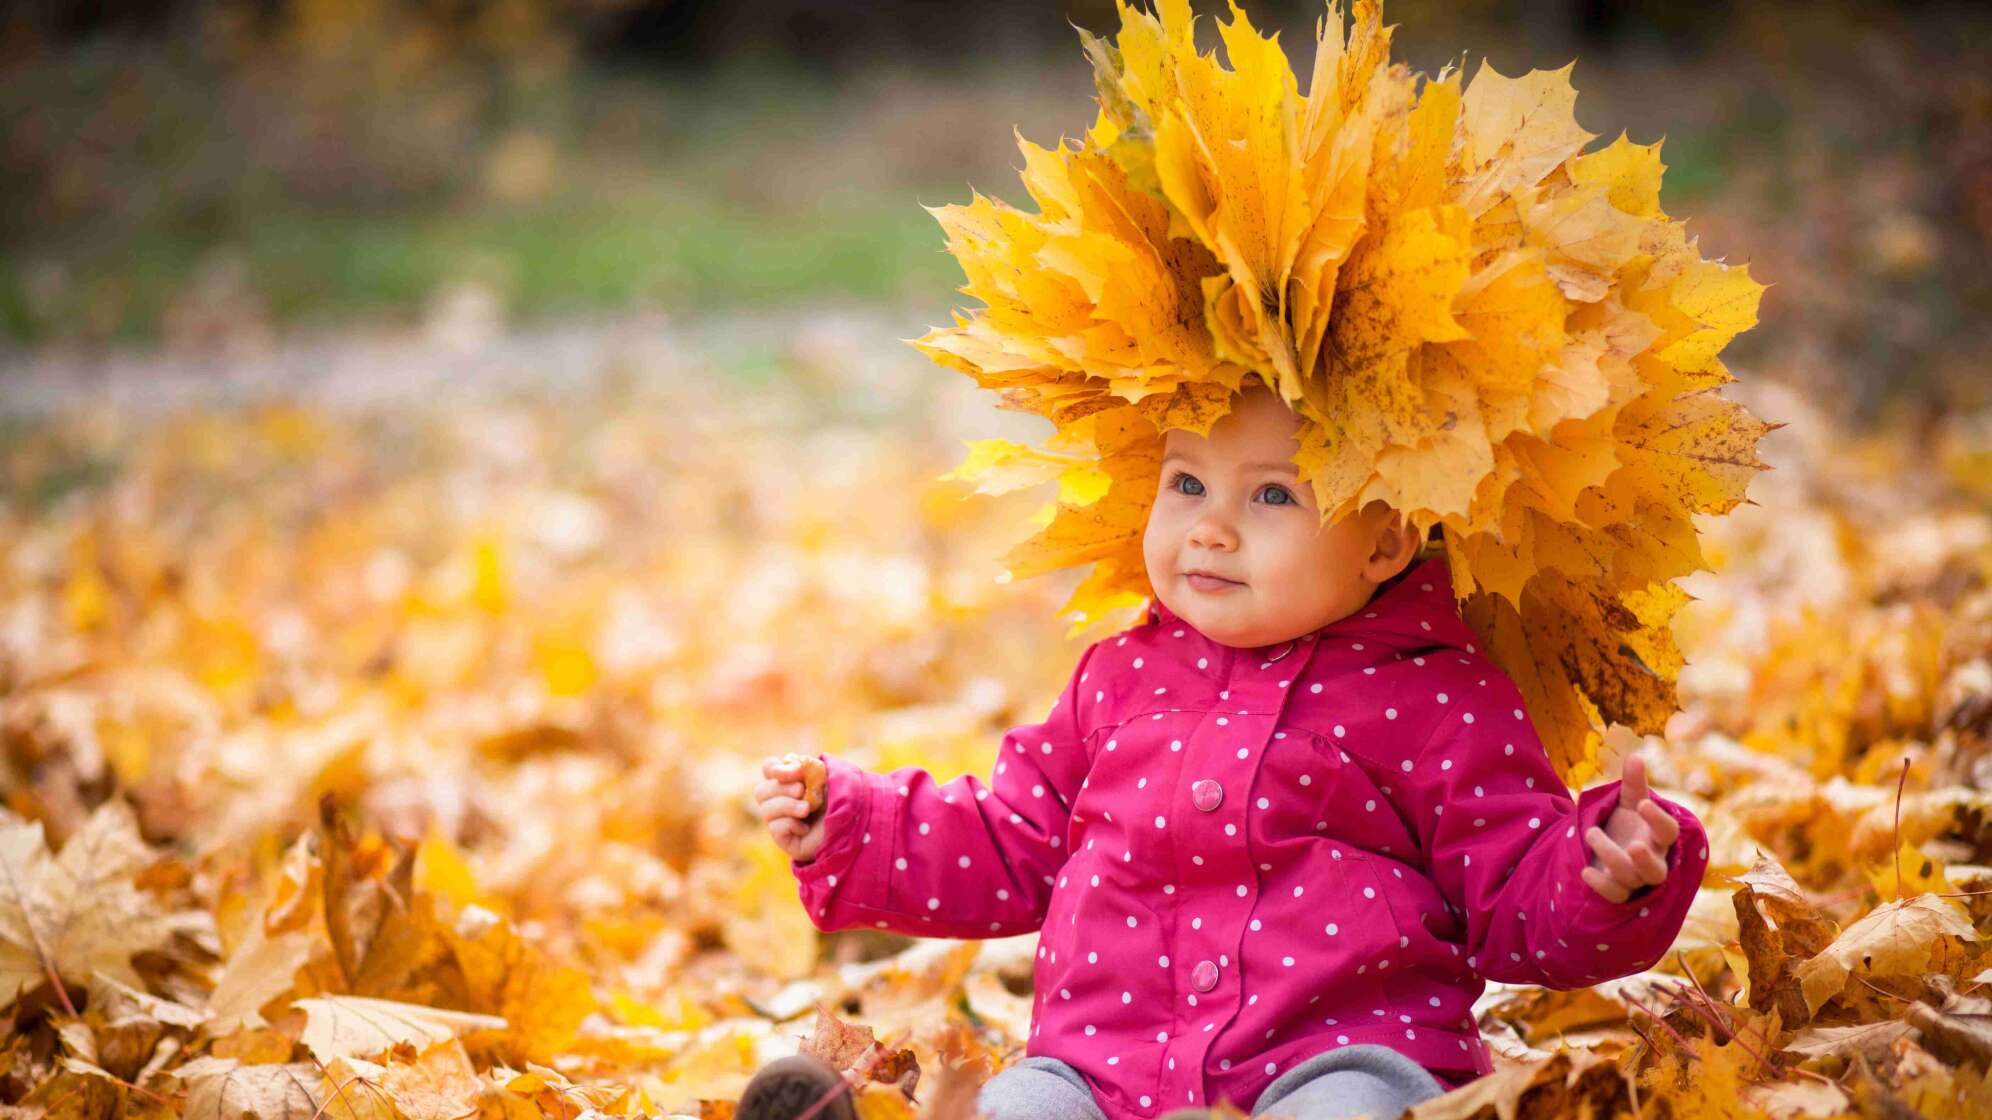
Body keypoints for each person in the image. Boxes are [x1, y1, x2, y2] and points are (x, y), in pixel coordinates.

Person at [739, 383, 1708, 1120]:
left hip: (1337, 1057)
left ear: (1385, 538)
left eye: (1272, 495)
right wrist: (852, 825)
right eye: (1188, 481)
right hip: (1104, 1068)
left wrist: (1601, 876)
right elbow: (1012, 836)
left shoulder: (1439, 695)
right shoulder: (1118, 678)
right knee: (1021, 1108)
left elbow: (1511, 895)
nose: (1210, 525)